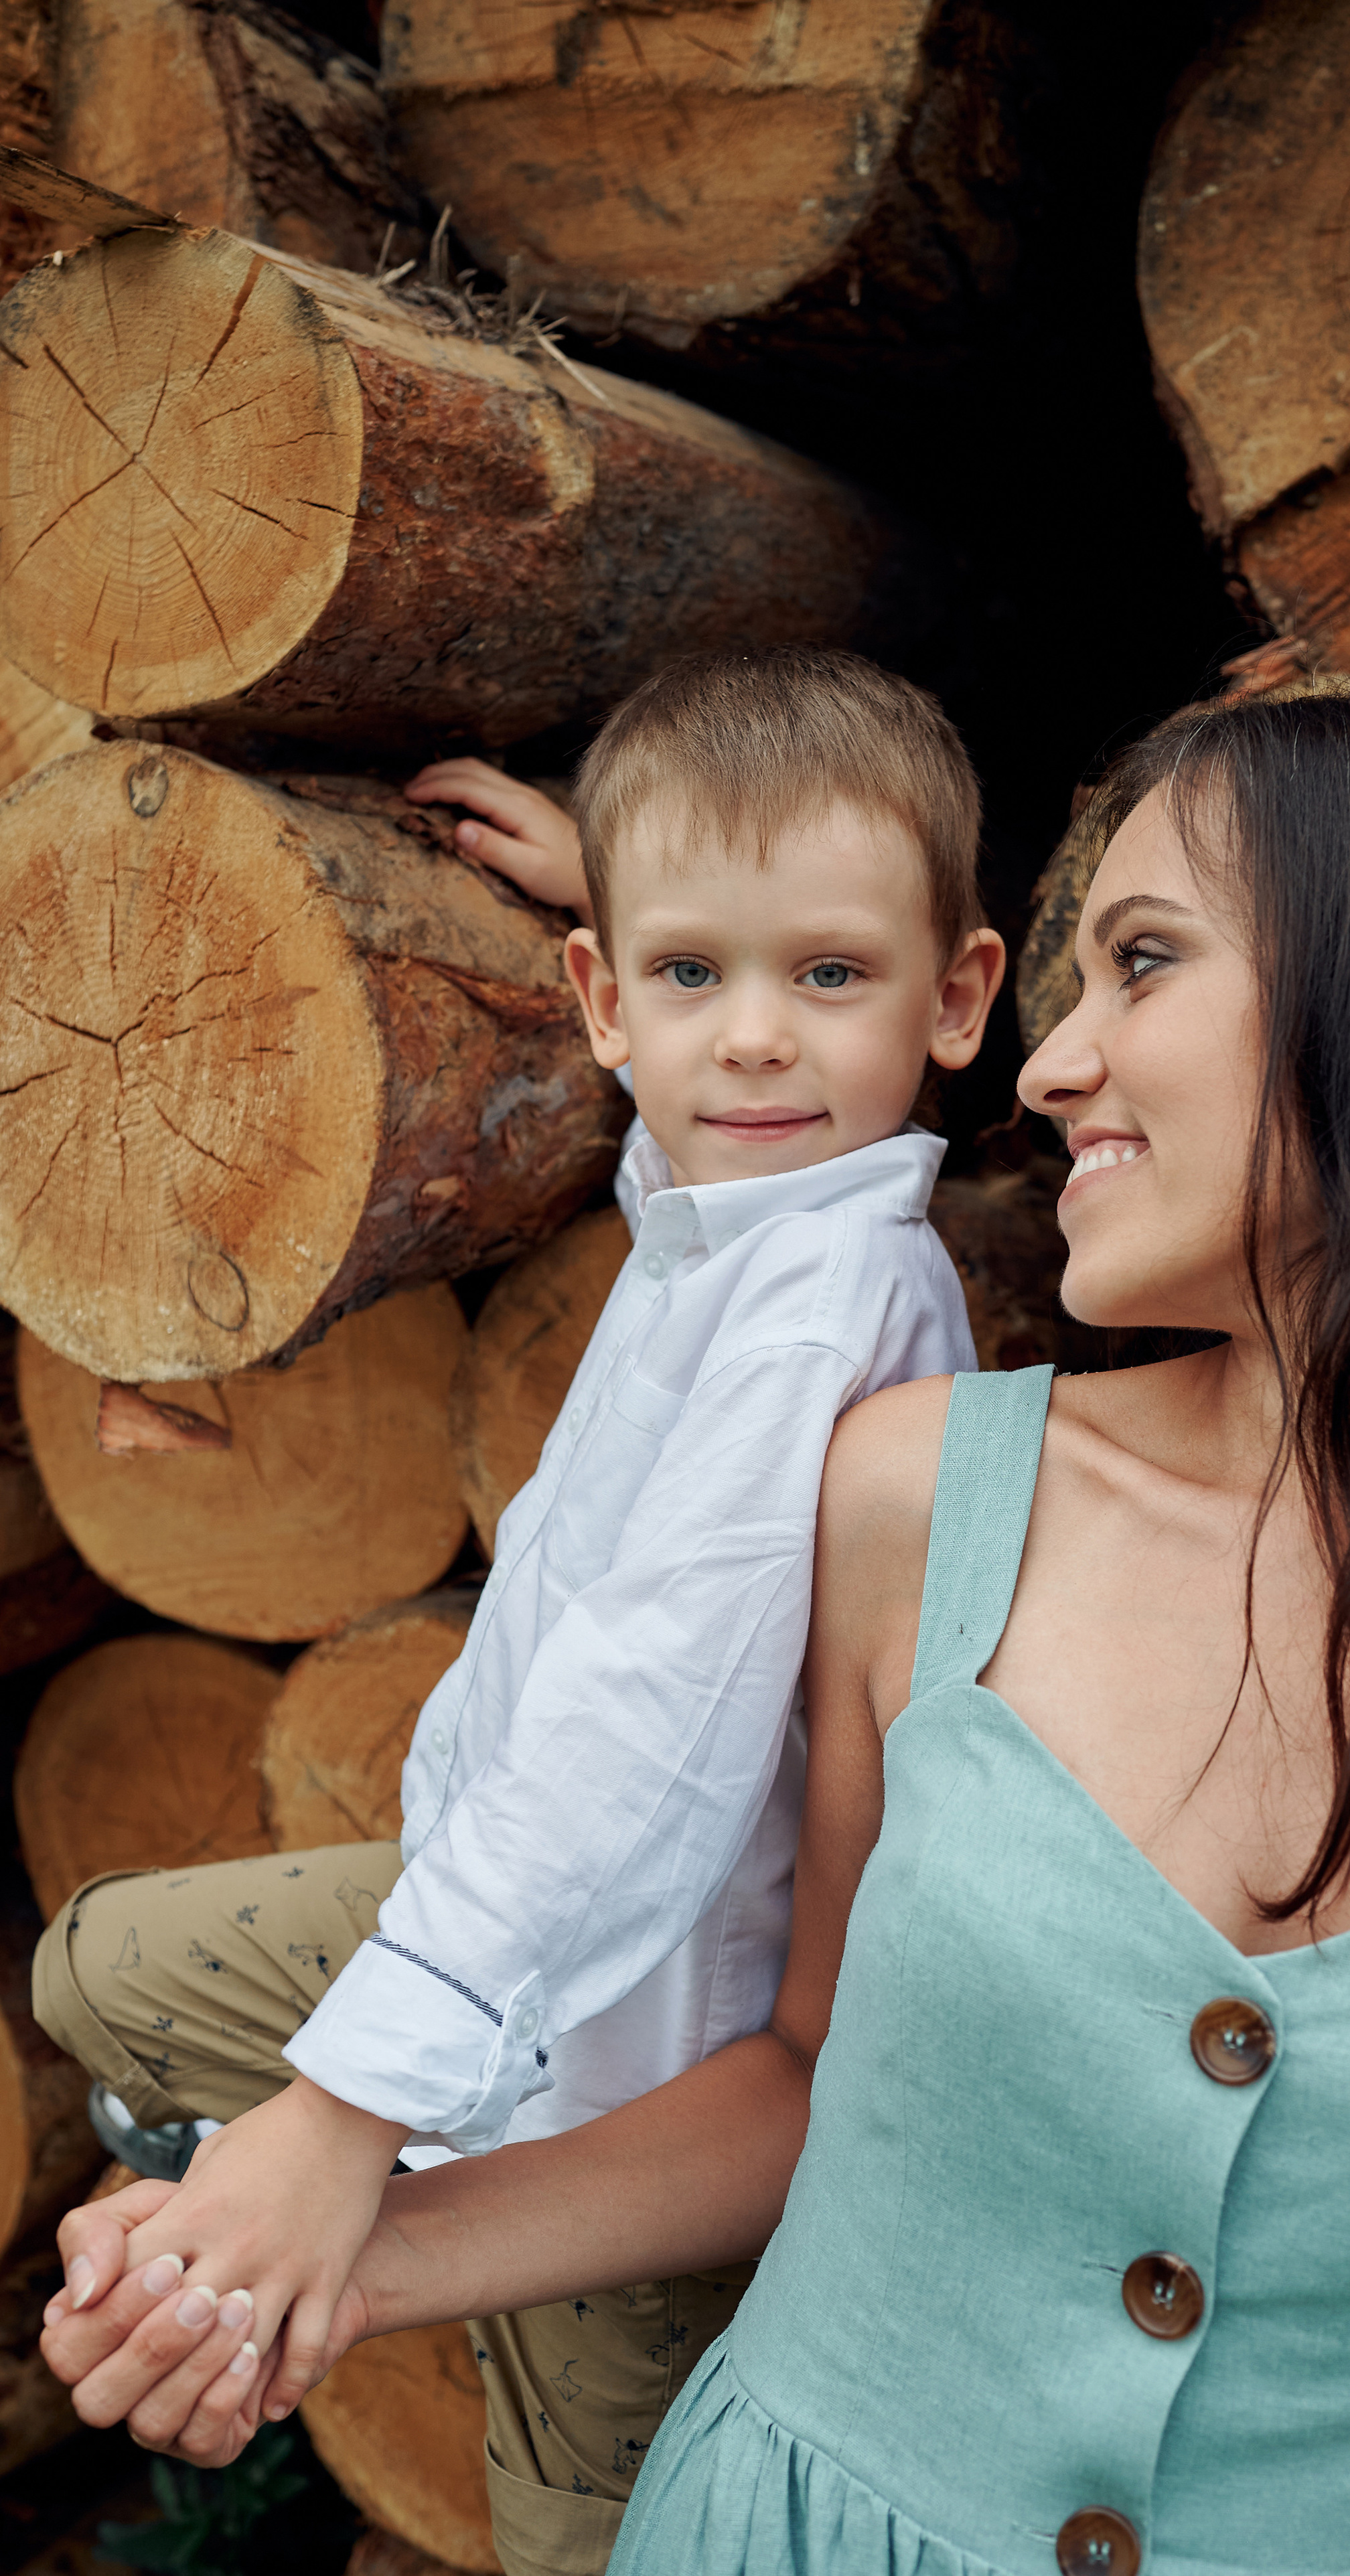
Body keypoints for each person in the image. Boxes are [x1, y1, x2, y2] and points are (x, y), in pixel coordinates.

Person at [42, 682, 1350, 2576]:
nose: (1050, 1067)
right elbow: (798, 2081)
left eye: (1141, 963)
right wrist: (278, 2272)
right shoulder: (912, 1496)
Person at [30, 647, 1005, 2576]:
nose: (754, 1044)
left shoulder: (831, 1315)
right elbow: (701, 1123)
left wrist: (343, 2110)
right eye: (690, 977)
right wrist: (626, 881)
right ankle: (242, 2208)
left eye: (831, 977)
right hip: (499, 1941)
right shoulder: (746, 1203)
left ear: (961, 996)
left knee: (591, 2533)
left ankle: (298, 2225)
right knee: (95, 1973)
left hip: (638, 2070)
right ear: (607, 1003)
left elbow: (642, 1735)